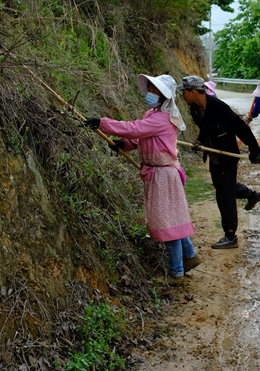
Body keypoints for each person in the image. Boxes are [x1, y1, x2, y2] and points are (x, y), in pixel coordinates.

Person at [83, 74, 200, 283]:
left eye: (157, 91)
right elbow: (139, 137)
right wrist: (124, 145)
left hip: (164, 175)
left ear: (165, 96)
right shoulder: (153, 114)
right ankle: (190, 257)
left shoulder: (162, 118)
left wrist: (103, 123)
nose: (152, 94)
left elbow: (135, 129)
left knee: (168, 224)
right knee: (174, 219)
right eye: (151, 89)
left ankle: (177, 272)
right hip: (159, 174)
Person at [177, 75, 260, 250]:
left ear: (193, 91)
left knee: (224, 195)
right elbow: (203, 127)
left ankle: (230, 235)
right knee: (224, 187)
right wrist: (201, 141)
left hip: (227, 154)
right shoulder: (194, 108)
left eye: (184, 92)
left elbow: (241, 128)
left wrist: (255, 150)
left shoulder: (218, 107)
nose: (182, 95)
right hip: (214, 154)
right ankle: (252, 195)